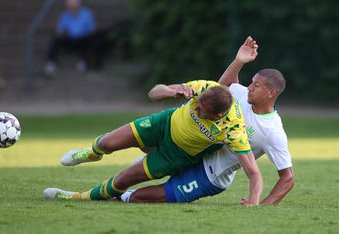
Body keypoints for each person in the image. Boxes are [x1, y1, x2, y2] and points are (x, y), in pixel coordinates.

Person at [117, 37, 294, 205]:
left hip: (210, 176)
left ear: (271, 93)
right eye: (252, 82)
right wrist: (239, 61)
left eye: (256, 86)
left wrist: (261, 205)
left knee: (150, 196)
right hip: (195, 151)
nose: (250, 87)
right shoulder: (241, 94)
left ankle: (123, 196)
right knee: (146, 140)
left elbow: (288, 178)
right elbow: (221, 88)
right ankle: (138, 167)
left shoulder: (272, 130)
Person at [44, 76, 263, 206]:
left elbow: (253, 172)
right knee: (108, 143)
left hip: (175, 155)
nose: (195, 108)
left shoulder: (234, 129)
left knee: (122, 181)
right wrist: (172, 91)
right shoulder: (205, 88)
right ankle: (91, 153)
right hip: (163, 123)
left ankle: (77, 197)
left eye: (200, 110)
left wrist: (253, 201)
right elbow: (153, 93)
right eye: (195, 104)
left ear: (216, 116)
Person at [44, 0, 97, 77]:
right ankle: (51, 63)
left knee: (90, 40)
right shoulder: (65, 15)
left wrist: (85, 34)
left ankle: (83, 61)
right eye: (69, 5)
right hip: (70, 39)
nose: (70, 7)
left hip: (83, 39)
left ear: (78, 5)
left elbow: (92, 29)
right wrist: (62, 32)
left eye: (72, 5)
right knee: (56, 41)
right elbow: (60, 29)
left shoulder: (86, 14)